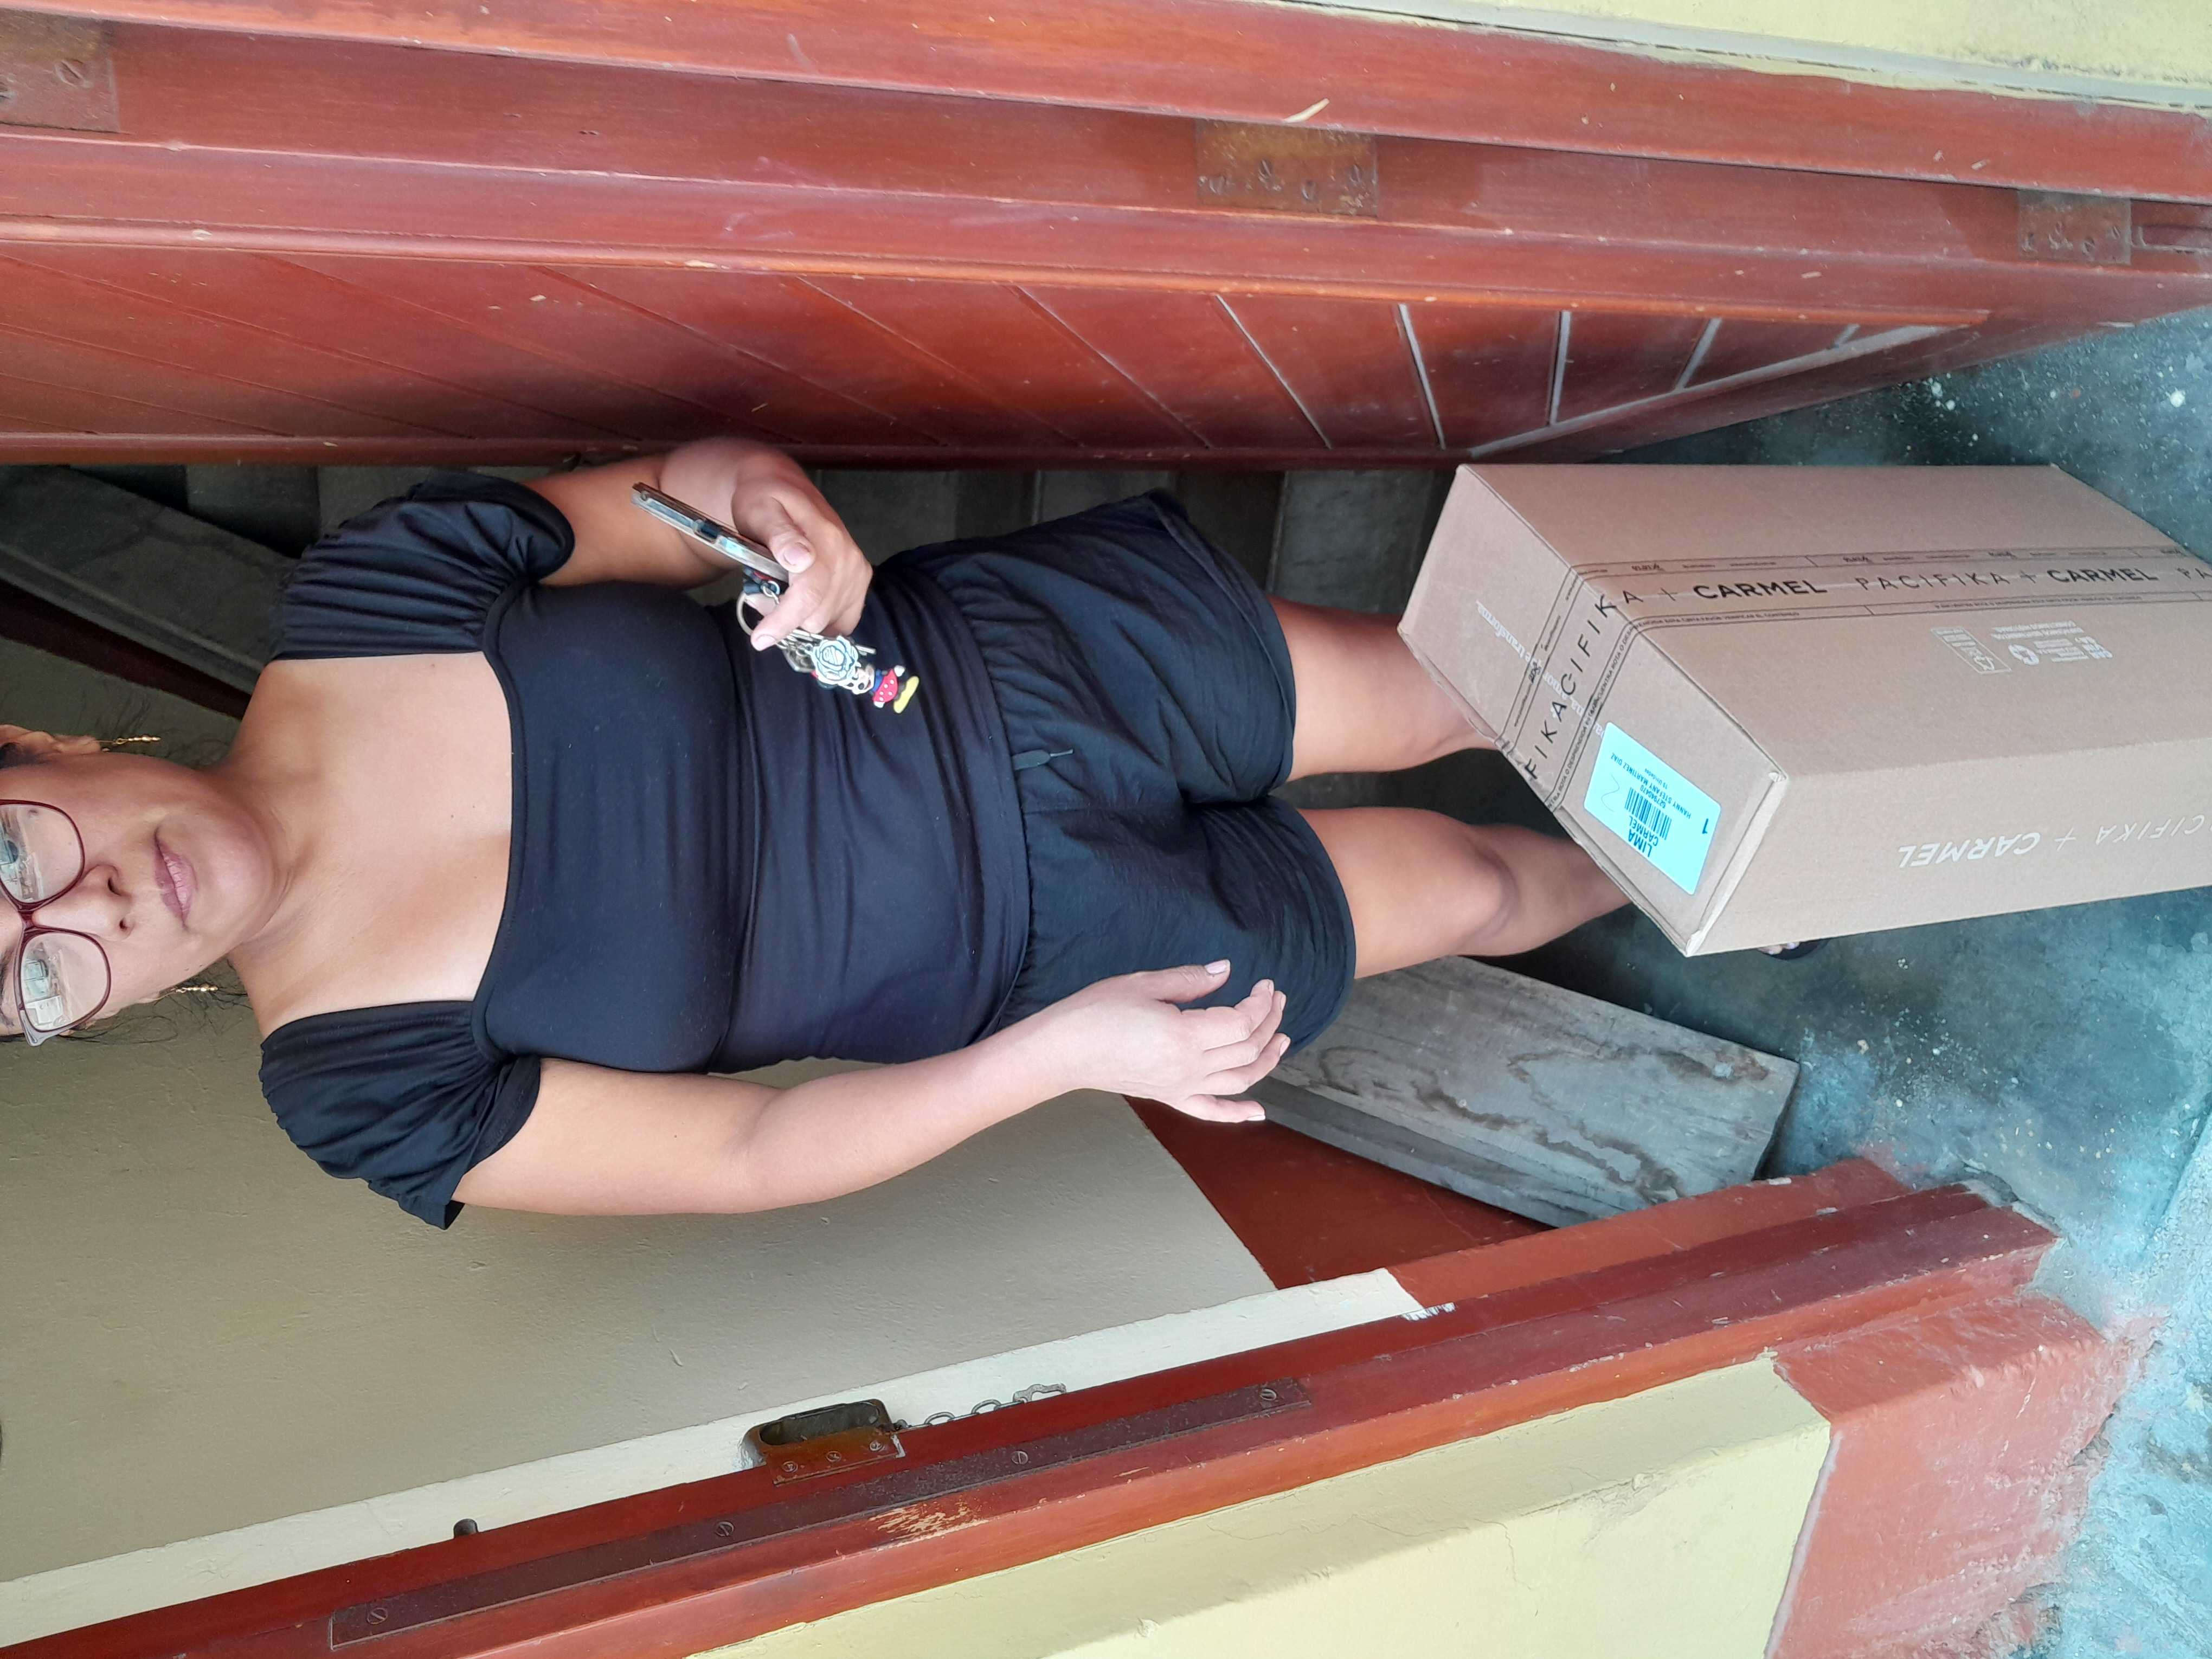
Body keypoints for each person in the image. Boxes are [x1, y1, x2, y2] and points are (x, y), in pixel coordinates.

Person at [1, 441, 1625, 1227]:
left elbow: (685, 491)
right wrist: (1062, 1054)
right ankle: (1709, 876)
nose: (92, 908)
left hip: (1020, 674)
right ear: (91, 1015)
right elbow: (750, 1154)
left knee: (1457, 695)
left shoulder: (375, 595)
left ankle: (1748, 740)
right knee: (1475, 885)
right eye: (39, 977)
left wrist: (773, 508)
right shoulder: (360, 1089)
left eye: (12, 855)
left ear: (41, 746)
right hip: (1052, 961)